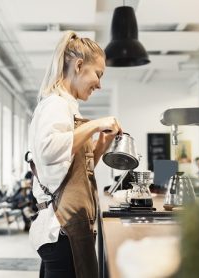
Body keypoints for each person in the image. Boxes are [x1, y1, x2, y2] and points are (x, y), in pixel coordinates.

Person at [27, 31, 122, 278]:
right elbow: (48, 152)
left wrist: (102, 144)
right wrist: (95, 124)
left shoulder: (68, 108)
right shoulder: (55, 105)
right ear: (79, 66)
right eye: (98, 74)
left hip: (70, 227)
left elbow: (75, 170)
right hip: (62, 228)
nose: (99, 84)